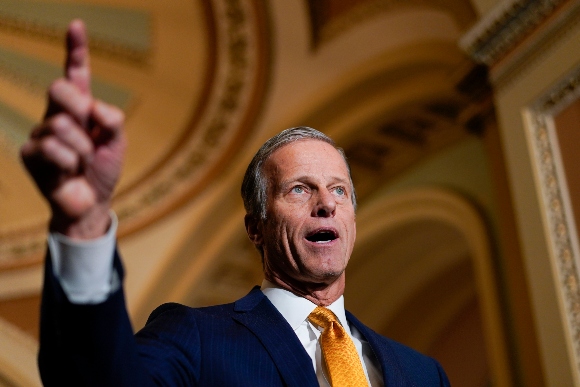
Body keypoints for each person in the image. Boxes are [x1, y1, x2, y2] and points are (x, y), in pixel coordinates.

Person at [22, 20, 450, 386]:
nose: (326, 204)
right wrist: (84, 226)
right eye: (300, 189)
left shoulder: (422, 372)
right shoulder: (195, 337)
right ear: (256, 228)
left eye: (339, 190)